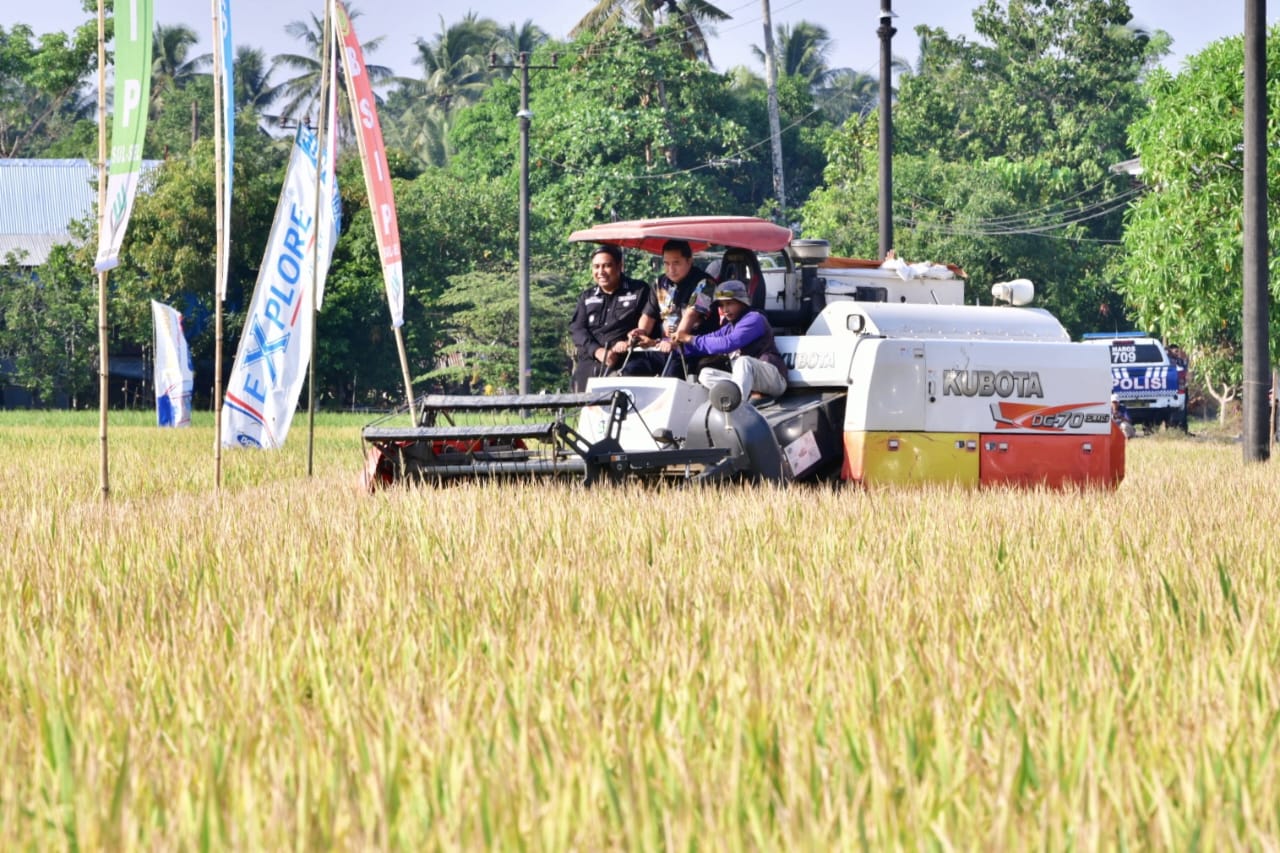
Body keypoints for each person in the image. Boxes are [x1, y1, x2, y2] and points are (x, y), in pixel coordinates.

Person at [672, 279, 787, 403]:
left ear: (742, 302)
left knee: (743, 361)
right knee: (706, 374)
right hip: (747, 381)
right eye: (722, 305)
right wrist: (676, 346)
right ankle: (735, 399)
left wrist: (689, 338)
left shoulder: (754, 319)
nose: (725, 309)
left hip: (774, 380)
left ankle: (738, 406)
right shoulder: (729, 326)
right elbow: (710, 339)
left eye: (729, 303)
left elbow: (728, 343)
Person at [627, 239, 719, 377]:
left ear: (689, 261)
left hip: (692, 350)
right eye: (666, 263)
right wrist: (640, 333)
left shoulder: (706, 283)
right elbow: (648, 316)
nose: (671, 269)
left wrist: (673, 341)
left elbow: (691, 315)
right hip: (662, 348)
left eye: (676, 263)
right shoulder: (660, 283)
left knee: (671, 376)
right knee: (632, 368)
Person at [568, 245, 652, 391]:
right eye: (596, 267)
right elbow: (577, 329)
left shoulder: (639, 290)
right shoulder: (586, 297)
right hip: (592, 360)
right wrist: (597, 351)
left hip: (627, 360)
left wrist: (628, 343)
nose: (600, 272)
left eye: (607, 266)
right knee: (584, 405)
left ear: (620, 266)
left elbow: (646, 326)